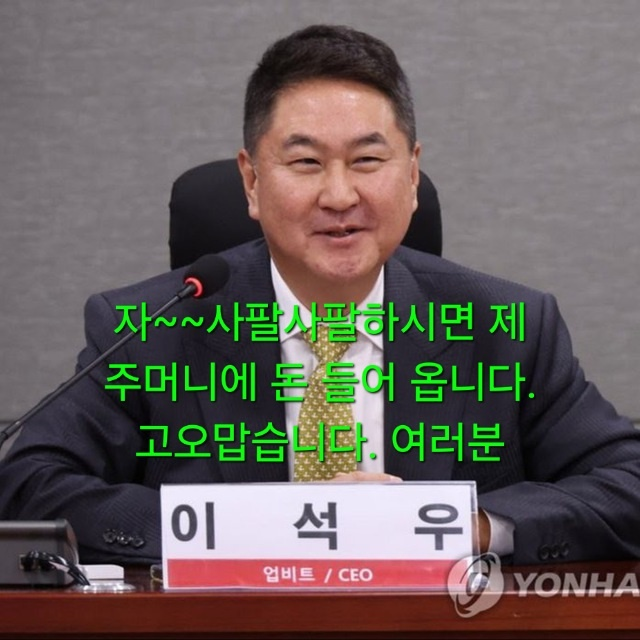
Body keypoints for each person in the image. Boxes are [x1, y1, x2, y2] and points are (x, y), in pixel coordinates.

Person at [0, 24, 639, 565]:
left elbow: (627, 484)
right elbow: (31, 483)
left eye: (367, 161)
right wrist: (265, 527)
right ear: (252, 182)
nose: (339, 195)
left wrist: (456, 525)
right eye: (306, 162)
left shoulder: (507, 326)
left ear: (412, 175)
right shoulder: (150, 328)